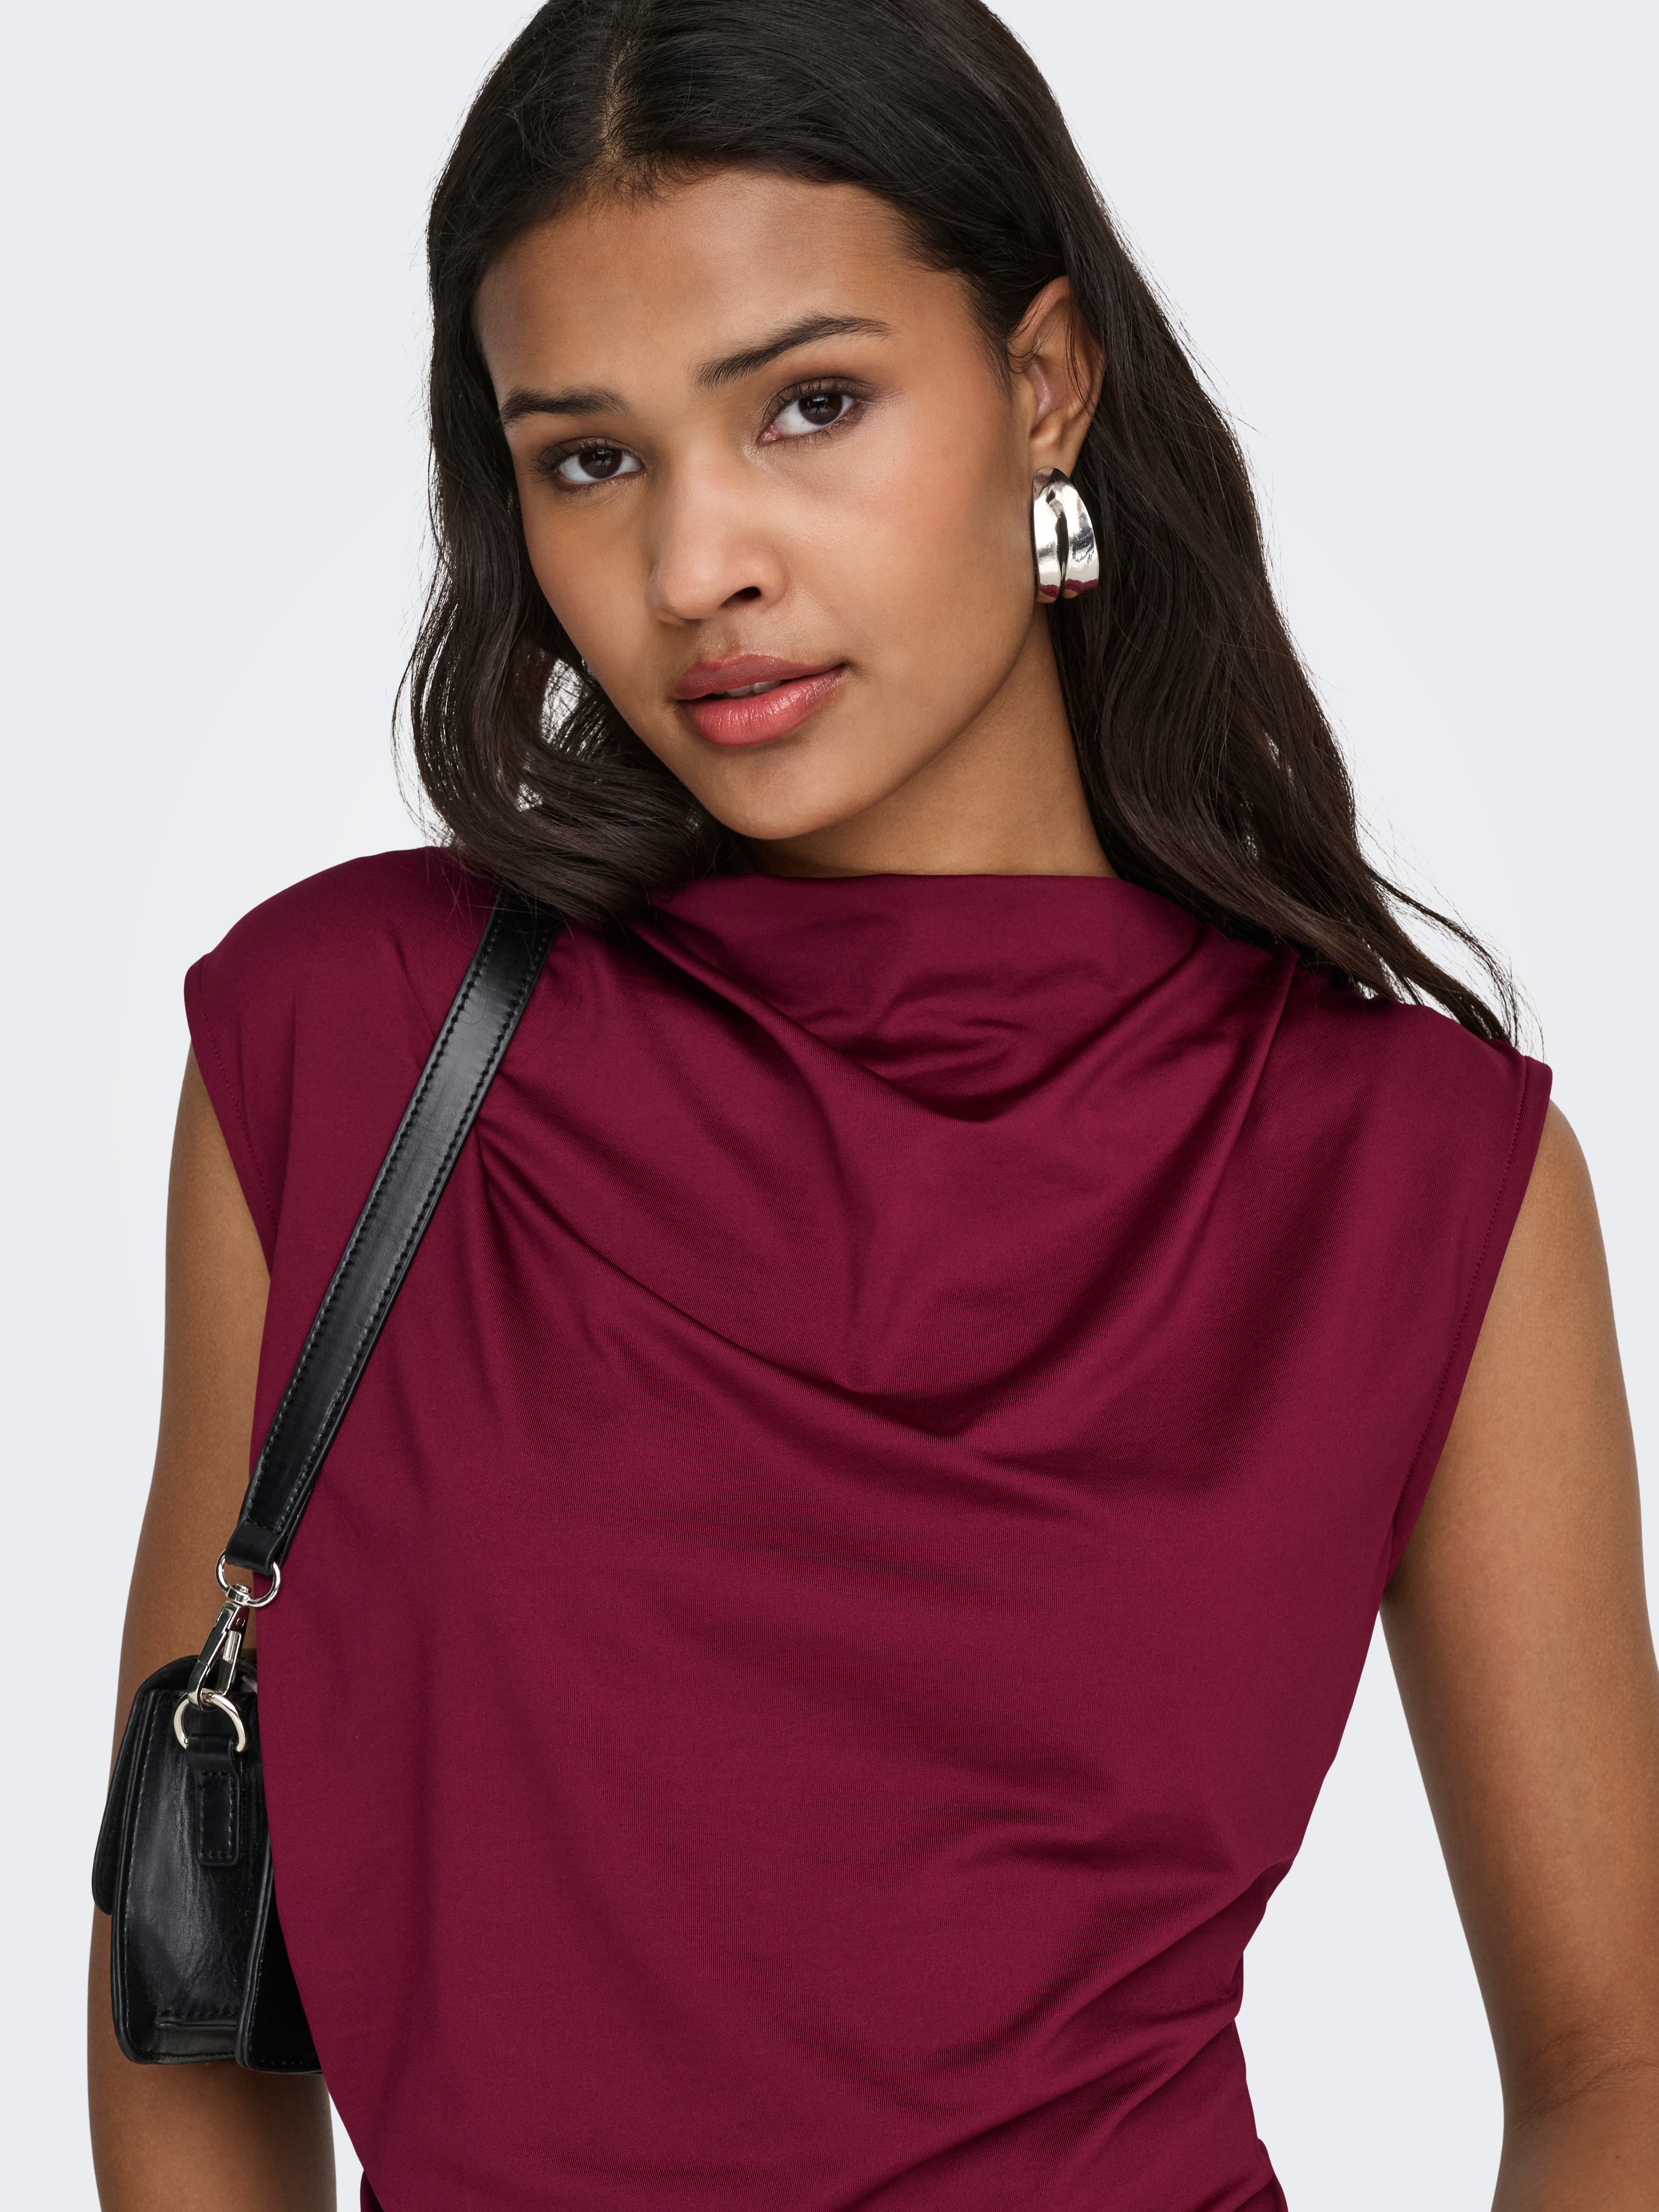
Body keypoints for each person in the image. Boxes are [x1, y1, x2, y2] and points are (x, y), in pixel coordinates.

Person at [88, 2, 1659, 2207]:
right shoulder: (348, 1041)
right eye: (590, 457)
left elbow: (1616, 2064)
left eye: (809, 406)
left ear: (1046, 382)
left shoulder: (1411, 1173)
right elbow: (185, 1964)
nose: (696, 568)